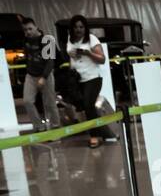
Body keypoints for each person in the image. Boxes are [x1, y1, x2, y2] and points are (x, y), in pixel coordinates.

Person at [64, 15, 115, 148]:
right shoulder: (70, 40)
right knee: (84, 107)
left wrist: (88, 53)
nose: (78, 29)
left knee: (88, 105)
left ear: (85, 28)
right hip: (77, 79)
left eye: (81, 27)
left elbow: (102, 59)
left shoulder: (92, 39)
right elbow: (72, 59)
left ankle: (95, 136)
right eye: (75, 27)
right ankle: (107, 134)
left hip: (92, 78)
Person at [18, 16, 61, 132]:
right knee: (27, 101)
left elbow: (50, 62)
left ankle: (55, 126)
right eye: (25, 30)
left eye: (30, 29)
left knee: (49, 103)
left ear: (36, 27)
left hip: (45, 74)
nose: (28, 32)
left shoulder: (47, 40)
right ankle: (39, 126)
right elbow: (27, 57)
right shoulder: (25, 40)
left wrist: (44, 77)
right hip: (31, 75)